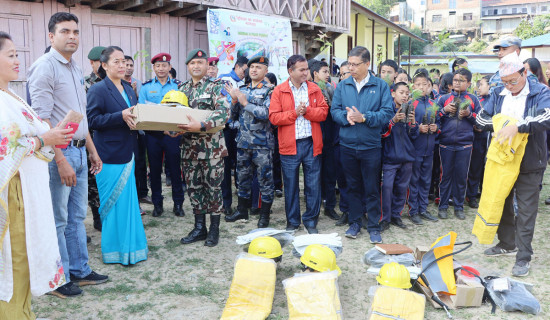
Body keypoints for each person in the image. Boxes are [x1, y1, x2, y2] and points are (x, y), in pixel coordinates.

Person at [28, 12, 108, 298]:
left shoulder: (74, 68)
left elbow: (79, 117)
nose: (72, 36)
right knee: (58, 219)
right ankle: (57, 278)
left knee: (76, 216)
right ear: (51, 36)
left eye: (75, 31)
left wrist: (92, 151)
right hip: (57, 154)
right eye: (65, 31)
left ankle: (79, 270)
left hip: (78, 151)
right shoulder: (45, 68)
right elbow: (41, 120)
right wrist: (60, 160)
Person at [0, 31, 72, 319]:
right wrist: (44, 140)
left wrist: (50, 135)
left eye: (18, 54)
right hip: (12, 193)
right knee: (14, 262)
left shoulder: (10, 95)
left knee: (24, 262)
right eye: (11, 55)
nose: (18, 60)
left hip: (27, 190)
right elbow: (6, 147)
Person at [477, 52, 550, 277]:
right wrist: (501, 126)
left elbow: (545, 117)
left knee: (526, 210)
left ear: (524, 72)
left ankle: (523, 257)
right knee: (502, 203)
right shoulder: (498, 93)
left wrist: (517, 127)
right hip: (502, 160)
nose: (509, 86)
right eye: (505, 82)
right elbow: (481, 119)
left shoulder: (541, 92)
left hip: (530, 161)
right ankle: (506, 243)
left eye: (513, 81)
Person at [87, 46, 148, 265]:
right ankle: (114, 251)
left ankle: (133, 249)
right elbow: (92, 121)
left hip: (129, 151)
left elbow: (132, 116)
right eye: (116, 62)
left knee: (129, 204)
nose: (122, 65)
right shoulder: (97, 90)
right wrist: (119, 116)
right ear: (104, 65)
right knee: (111, 205)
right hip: (108, 154)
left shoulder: (129, 88)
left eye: (124, 61)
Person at [330, 46, 393, 243]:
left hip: (370, 146)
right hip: (347, 145)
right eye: (349, 64)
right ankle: (355, 223)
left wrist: (364, 117)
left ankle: (373, 226)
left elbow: (387, 113)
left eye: (356, 64)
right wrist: (346, 117)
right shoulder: (343, 85)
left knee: (372, 187)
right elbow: (334, 111)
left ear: (367, 64)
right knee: (352, 186)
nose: (351, 68)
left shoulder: (380, 86)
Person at [269, 54, 329, 234]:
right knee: (291, 186)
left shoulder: (314, 89)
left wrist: (308, 111)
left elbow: (324, 113)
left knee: (313, 185)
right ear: (290, 71)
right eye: (301, 70)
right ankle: (293, 222)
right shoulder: (279, 91)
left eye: (306, 69)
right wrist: (294, 113)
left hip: (311, 143)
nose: (306, 73)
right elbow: (273, 118)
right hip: (290, 145)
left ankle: (311, 221)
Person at [178, 49, 229, 247]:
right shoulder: (181, 89)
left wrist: (200, 126)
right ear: (188, 67)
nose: (196, 66)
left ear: (208, 66)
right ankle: (200, 228)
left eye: (200, 62)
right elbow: (174, 115)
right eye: (192, 63)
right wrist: (171, 129)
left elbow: (223, 113)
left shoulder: (217, 87)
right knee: (194, 189)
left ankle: (214, 229)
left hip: (212, 150)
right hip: (188, 149)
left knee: (213, 189)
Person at [224, 56, 275, 228]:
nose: (253, 70)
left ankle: (265, 215)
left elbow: (267, 114)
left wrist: (245, 103)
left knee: (265, 180)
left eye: (258, 67)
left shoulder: (270, 91)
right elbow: (232, 116)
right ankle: (242, 210)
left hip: (262, 144)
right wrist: (233, 101)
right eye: (251, 67)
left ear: (265, 71)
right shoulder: (242, 89)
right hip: (243, 143)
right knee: (242, 178)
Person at [138, 52, 185, 218]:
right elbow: (142, 112)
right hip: (153, 136)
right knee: (155, 171)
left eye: (164, 65)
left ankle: (178, 204)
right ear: (154, 68)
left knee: (175, 170)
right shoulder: (146, 87)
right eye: (158, 66)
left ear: (169, 67)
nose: (161, 68)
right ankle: (157, 205)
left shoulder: (178, 86)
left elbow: (183, 110)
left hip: (172, 135)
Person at [437, 68, 480, 220]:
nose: (457, 83)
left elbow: (480, 122)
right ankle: (442, 207)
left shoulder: (473, 100)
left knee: (461, 176)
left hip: (465, 145)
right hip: (446, 144)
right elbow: (435, 119)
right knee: (445, 176)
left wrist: (469, 114)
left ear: (468, 83)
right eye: (455, 80)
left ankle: (459, 206)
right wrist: (443, 110)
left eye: (461, 80)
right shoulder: (443, 99)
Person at [380, 82, 418, 231]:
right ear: (393, 93)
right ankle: (385, 218)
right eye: (401, 92)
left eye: (407, 93)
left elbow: (414, 136)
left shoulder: (410, 110)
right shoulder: (386, 110)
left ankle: (396, 215)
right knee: (387, 187)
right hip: (390, 157)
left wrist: (413, 122)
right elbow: (381, 133)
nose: (404, 95)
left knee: (402, 188)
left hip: (407, 157)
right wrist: (394, 121)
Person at [311, 60, 344, 222]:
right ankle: (315, 205)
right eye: (324, 71)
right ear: (315, 73)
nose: (328, 75)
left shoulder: (331, 88)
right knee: (314, 175)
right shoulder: (308, 90)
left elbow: (335, 112)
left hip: (330, 138)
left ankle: (330, 206)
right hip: (314, 138)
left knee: (330, 174)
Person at [407, 72, 440, 224]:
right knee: (414, 180)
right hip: (415, 149)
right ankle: (413, 210)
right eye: (418, 85)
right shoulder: (411, 104)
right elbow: (407, 127)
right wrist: (417, 128)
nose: (422, 87)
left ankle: (423, 208)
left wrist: (435, 128)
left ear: (430, 86)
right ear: (413, 86)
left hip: (430, 149)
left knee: (426, 180)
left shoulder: (434, 105)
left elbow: (440, 124)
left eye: (425, 85)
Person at [219, 56, 249, 216]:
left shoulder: (246, 82)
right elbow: (226, 103)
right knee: (225, 166)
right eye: (244, 70)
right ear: (237, 66)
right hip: (227, 129)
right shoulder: (226, 79)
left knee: (242, 166)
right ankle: (226, 202)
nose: (246, 73)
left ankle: (243, 203)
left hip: (242, 130)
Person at [84, 46, 105, 232]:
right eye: (101, 62)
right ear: (92, 63)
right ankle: (97, 216)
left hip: (112, 140)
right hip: (92, 139)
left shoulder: (117, 83)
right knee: (94, 181)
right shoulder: (84, 84)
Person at [123, 55, 149, 206]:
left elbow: (142, 105)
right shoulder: (118, 83)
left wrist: (135, 93)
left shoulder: (138, 83)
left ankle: (143, 193)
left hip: (140, 130)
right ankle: (132, 196)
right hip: (126, 130)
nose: (128, 67)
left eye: (131, 65)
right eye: (126, 65)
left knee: (141, 162)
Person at [466, 75, 491, 209]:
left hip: (492, 139)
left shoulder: (496, 100)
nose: (478, 87)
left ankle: (485, 194)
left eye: (481, 84)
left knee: (488, 170)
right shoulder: (477, 100)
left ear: (491, 86)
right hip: (478, 138)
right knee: (475, 168)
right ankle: (472, 195)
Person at [264, 72, 283, 197]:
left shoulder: (276, 94)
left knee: (276, 159)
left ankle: (277, 185)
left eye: (266, 82)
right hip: (263, 132)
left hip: (274, 131)